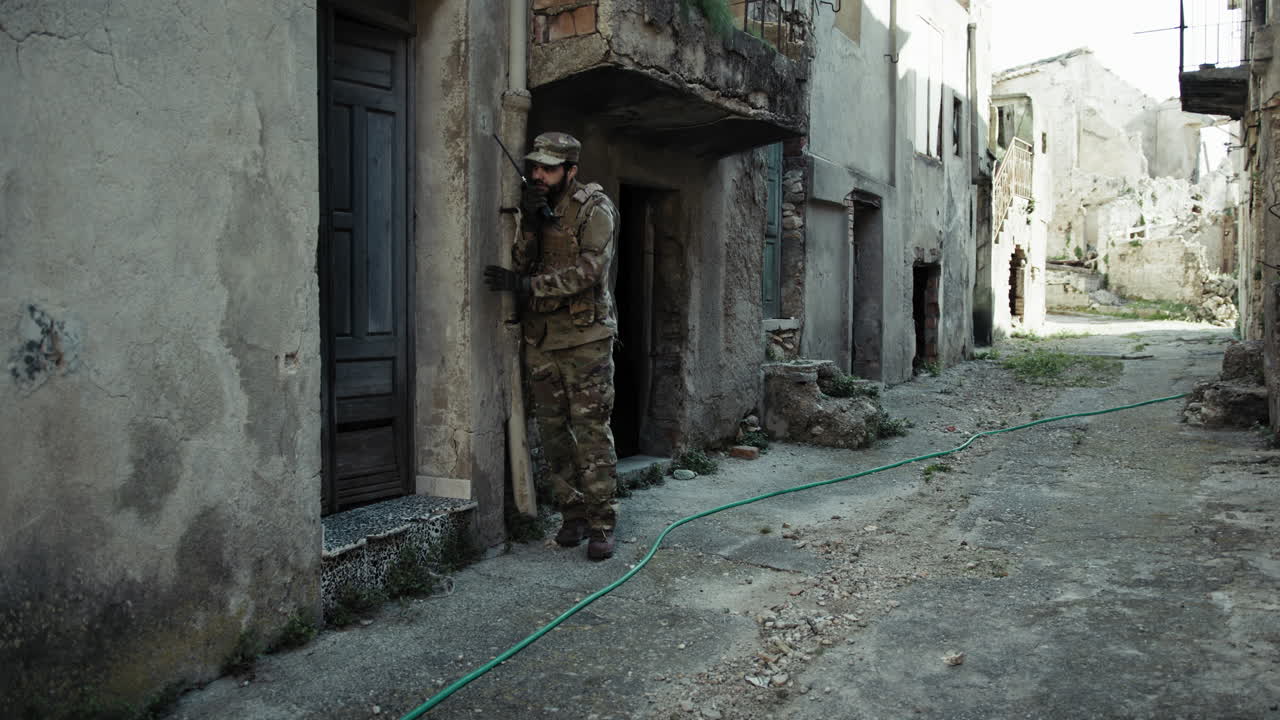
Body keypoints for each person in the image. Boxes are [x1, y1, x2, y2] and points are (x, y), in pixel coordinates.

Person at [483, 131, 620, 560]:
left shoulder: (595, 210)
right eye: (535, 167)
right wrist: (531, 225)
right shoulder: (535, 206)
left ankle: (601, 522)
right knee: (554, 434)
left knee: (590, 432)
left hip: (585, 340)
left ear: (571, 171)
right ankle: (572, 516)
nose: (538, 174)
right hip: (542, 339)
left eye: (548, 168)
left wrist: (527, 286)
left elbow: (588, 272)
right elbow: (522, 262)